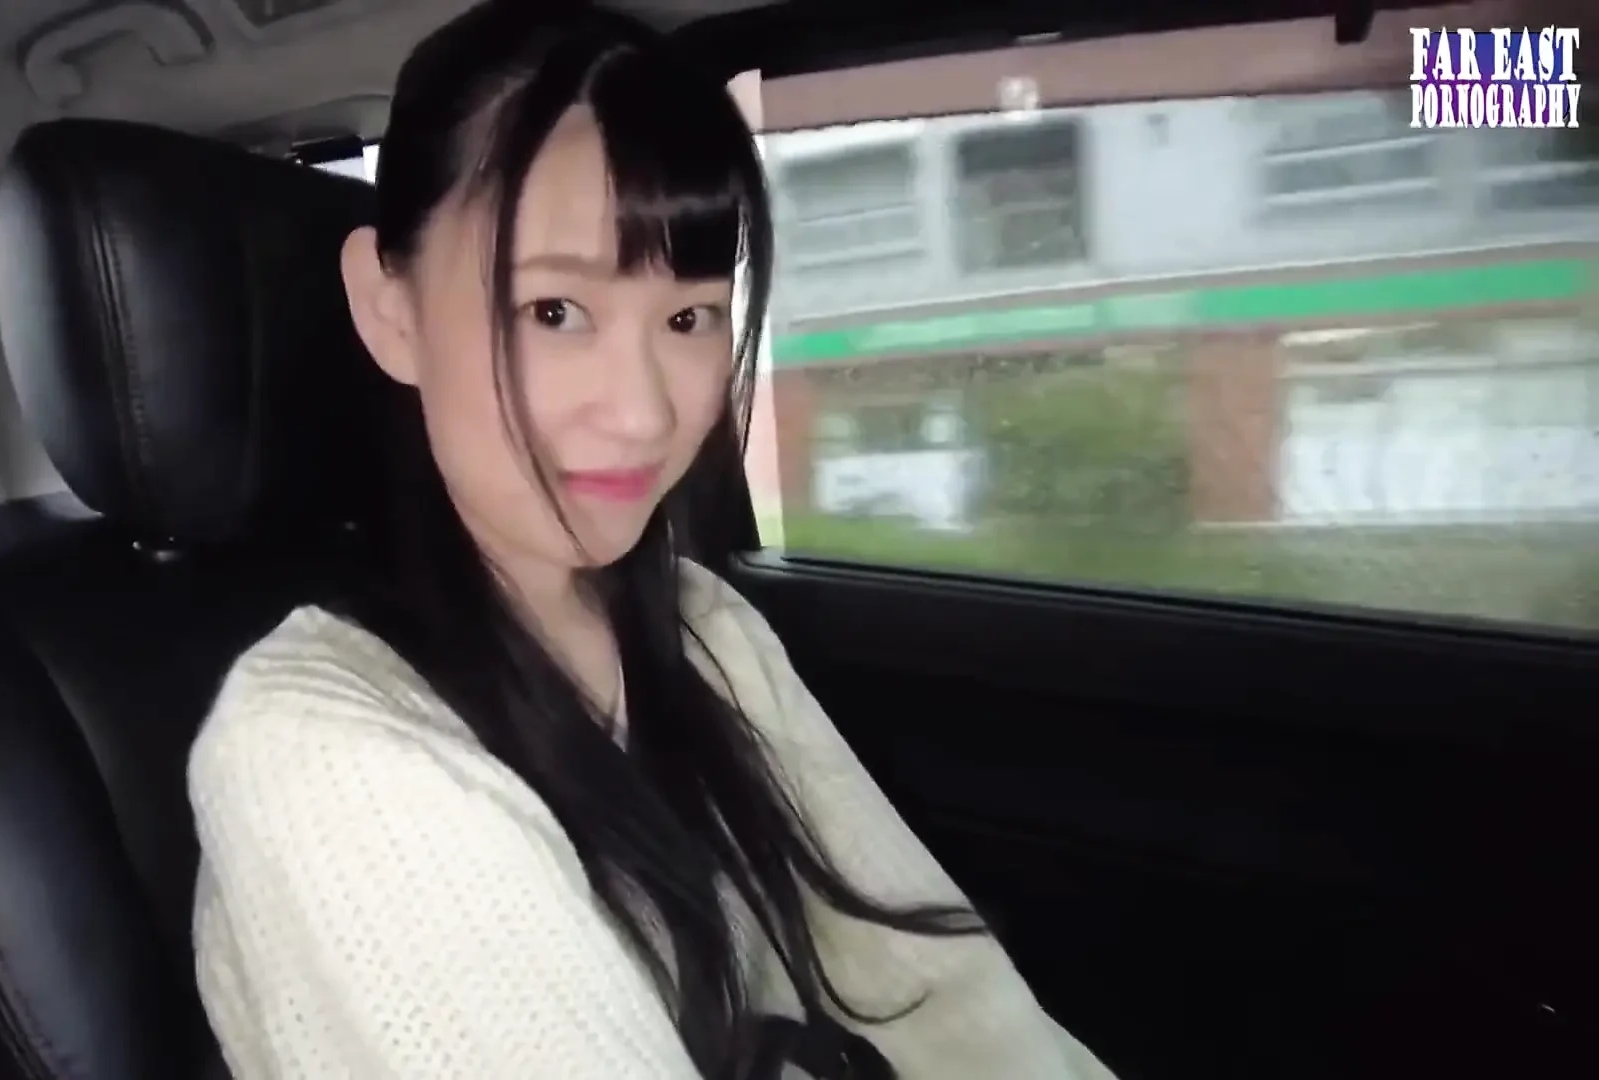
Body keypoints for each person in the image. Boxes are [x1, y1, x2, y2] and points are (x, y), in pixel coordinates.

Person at [188, 2, 1116, 1077]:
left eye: (687, 318)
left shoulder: (703, 626)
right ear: (390, 311)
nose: (643, 413)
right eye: (553, 311)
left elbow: (943, 1001)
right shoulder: (323, 755)